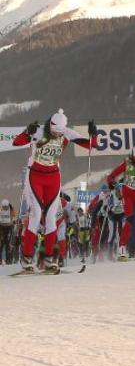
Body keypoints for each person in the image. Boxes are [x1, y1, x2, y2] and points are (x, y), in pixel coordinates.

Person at [12, 110, 98, 272]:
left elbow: (91, 145)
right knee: (36, 214)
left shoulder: (67, 133)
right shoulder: (39, 131)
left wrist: (94, 134)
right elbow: (16, 142)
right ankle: (27, 257)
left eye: (60, 132)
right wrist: (27, 132)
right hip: (35, 176)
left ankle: (49, 259)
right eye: (54, 131)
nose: (57, 134)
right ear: (50, 125)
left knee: (52, 217)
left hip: (53, 178)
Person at [0, 199, 15, 265]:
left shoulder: (11, 210)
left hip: (9, 228)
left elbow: (14, 215)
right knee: (2, 245)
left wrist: (11, 208)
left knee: (8, 245)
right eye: (4, 207)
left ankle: (8, 260)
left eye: (6, 207)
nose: (5, 208)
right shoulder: (1, 209)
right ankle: (1, 260)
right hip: (2, 228)